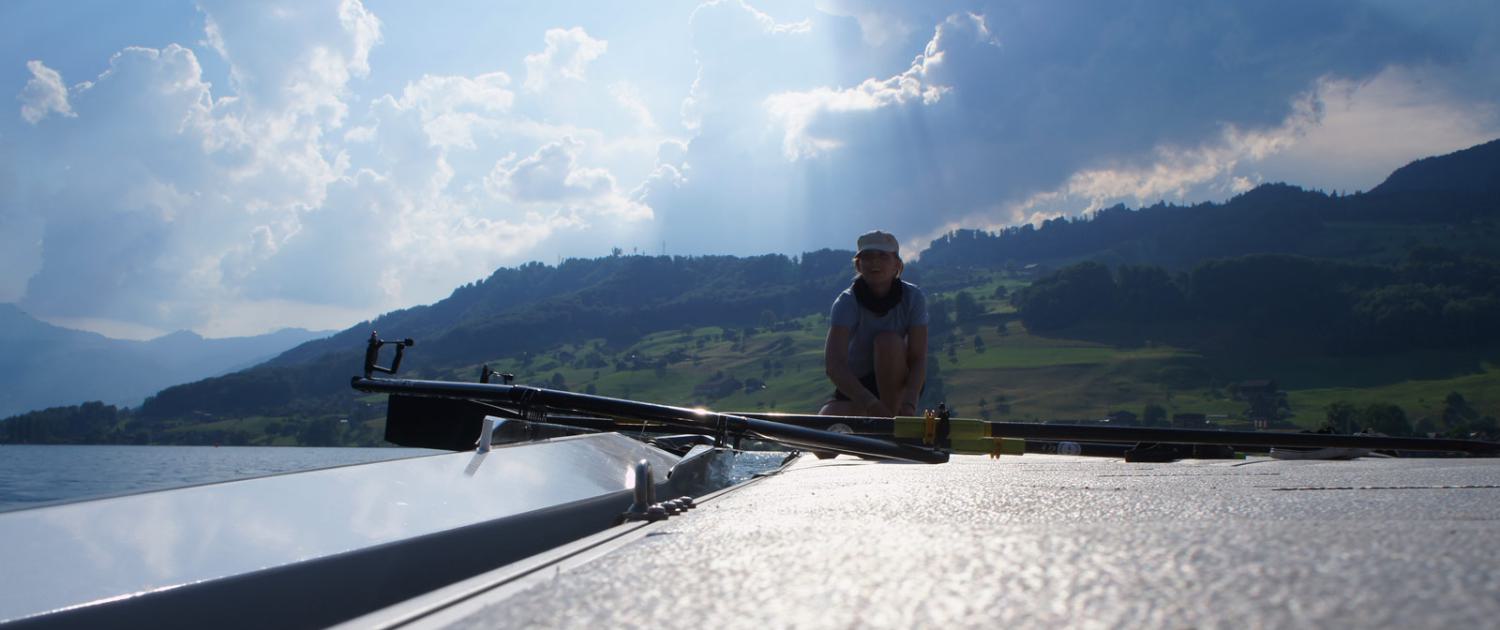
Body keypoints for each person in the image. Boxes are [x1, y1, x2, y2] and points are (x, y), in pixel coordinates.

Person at [818, 230, 929, 419]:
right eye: (867, 257)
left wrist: (910, 402)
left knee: (888, 342)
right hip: (860, 385)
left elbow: (918, 358)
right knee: (823, 445)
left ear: (897, 264)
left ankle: (893, 423)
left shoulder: (914, 298)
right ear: (859, 265)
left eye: (883, 256)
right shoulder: (846, 302)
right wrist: (870, 404)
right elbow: (834, 365)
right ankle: (880, 423)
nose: (875, 262)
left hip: (899, 380)